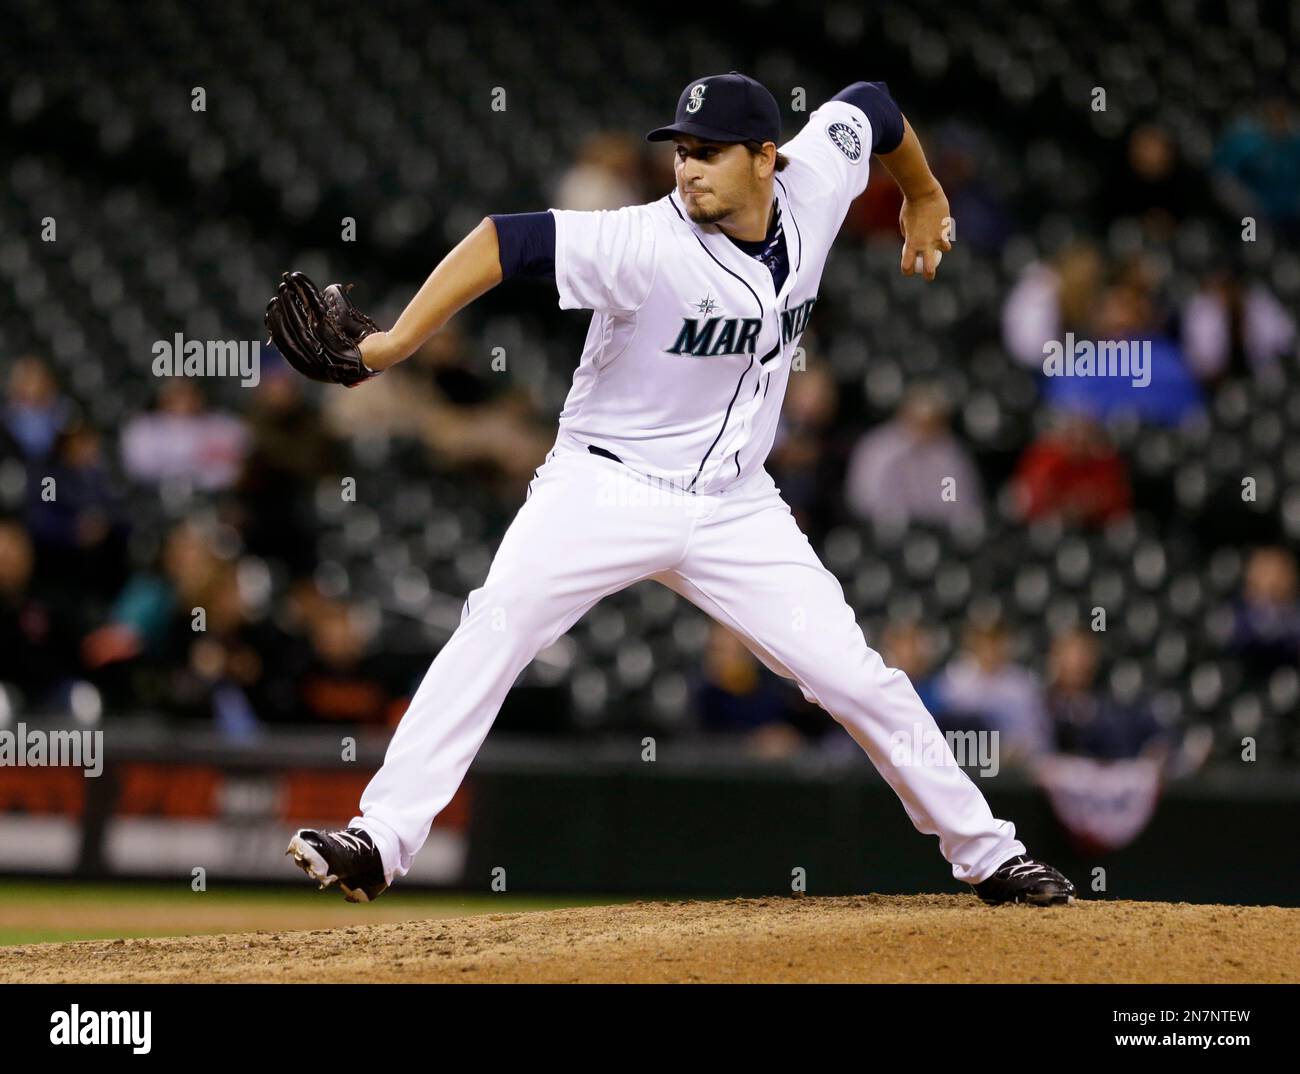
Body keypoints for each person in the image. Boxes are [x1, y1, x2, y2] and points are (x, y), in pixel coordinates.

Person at [284, 72, 1075, 908]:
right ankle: (381, 838)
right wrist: (397, 341)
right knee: (497, 626)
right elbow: (503, 240)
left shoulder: (816, 178)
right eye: (680, 151)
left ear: (767, 158)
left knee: (856, 679)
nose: (687, 168)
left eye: (707, 152)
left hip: (738, 503)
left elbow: (873, 105)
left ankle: (989, 855)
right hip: (605, 485)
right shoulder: (643, 241)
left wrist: (923, 189)